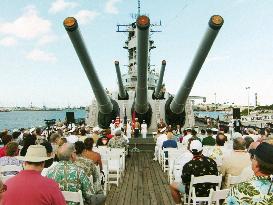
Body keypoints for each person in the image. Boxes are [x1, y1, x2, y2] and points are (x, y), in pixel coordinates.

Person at [170, 140, 218, 204]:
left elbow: (184, 181)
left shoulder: (188, 165)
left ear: (190, 151)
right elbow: (216, 176)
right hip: (211, 190)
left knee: (173, 185)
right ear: (202, 150)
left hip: (195, 192)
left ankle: (179, 203)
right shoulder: (212, 162)